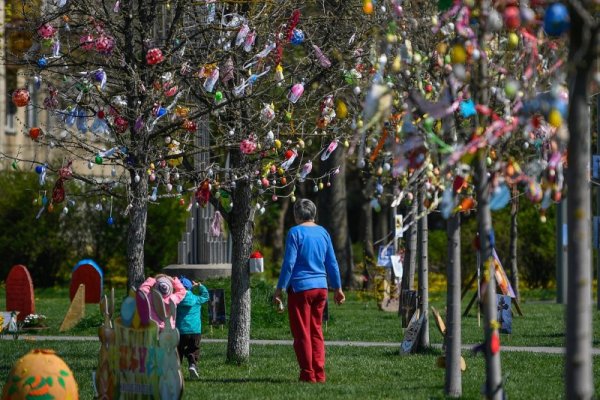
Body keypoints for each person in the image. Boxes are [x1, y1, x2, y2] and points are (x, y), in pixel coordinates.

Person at [274, 198, 345, 383]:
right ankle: (320, 373)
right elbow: (332, 263)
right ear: (313, 214)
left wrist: (280, 288)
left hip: (300, 289)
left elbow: (289, 263)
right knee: (316, 331)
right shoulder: (323, 232)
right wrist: (337, 288)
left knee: (302, 333)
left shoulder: (295, 232)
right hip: (321, 288)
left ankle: (307, 374)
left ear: (297, 214)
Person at [175, 276, 210, 379]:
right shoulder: (196, 299)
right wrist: (200, 286)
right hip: (195, 331)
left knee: (178, 350)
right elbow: (206, 296)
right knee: (194, 349)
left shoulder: (176, 300)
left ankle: (175, 369)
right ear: (190, 288)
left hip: (180, 331)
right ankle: (192, 364)